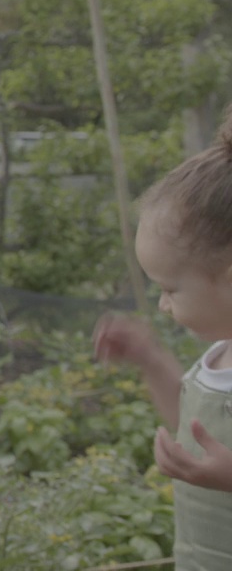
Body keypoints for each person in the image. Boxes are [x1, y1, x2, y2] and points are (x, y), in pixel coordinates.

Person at [93, 108, 232, 570]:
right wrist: (152, 360)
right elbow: (195, 427)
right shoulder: (219, 357)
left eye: (171, 290)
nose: (163, 305)